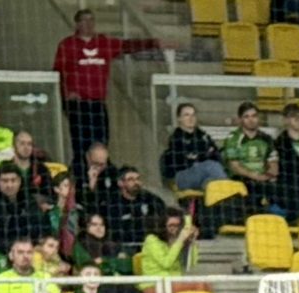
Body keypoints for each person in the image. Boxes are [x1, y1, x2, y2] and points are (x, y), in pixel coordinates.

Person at [53, 9, 157, 161]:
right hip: (77, 104)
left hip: (97, 103)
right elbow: (58, 73)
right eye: (84, 20)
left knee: (101, 142)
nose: (89, 23)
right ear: (77, 24)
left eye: (91, 20)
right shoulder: (67, 45)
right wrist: (66, 97)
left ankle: (100, 171)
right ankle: (81, 172)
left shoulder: (103, 43)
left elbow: (127, 46)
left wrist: (154, 43)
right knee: (80, 144)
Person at [161, 102, 225, 192]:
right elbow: (184, 161)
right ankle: (227, 192)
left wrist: (199, 156)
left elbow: (216, 155)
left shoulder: (203, 135)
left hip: (202, 173)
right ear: (179, 118)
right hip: (182, 176)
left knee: (210, 182)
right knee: (211, 166)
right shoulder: (176, 138)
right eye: (186, 115)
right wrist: (206, 154)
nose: (191, 118)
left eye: (193, 115)